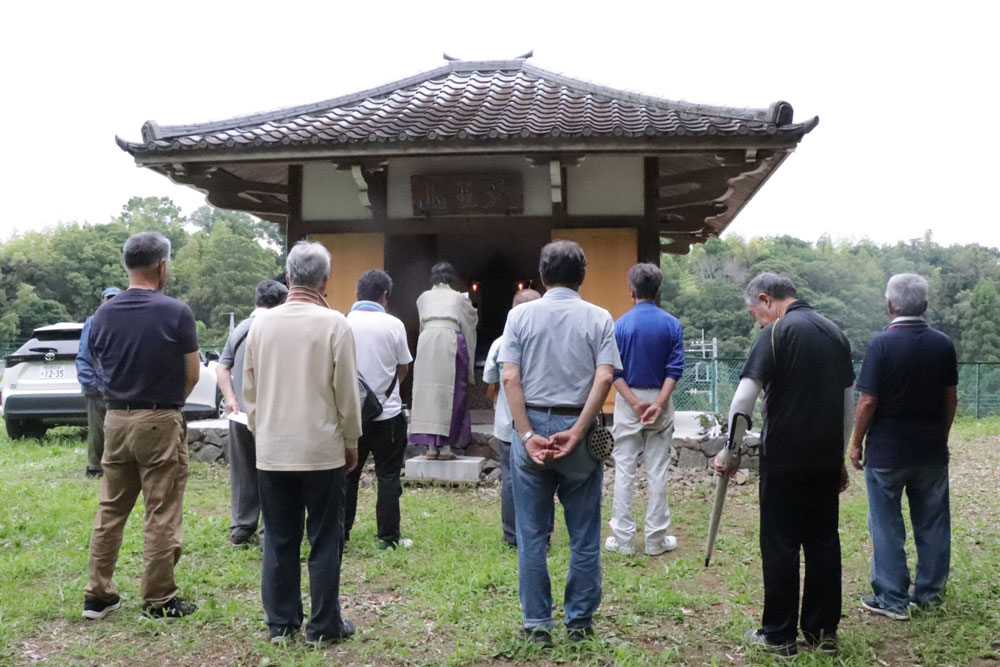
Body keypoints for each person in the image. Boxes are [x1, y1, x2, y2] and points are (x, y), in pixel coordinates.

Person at [715, 272, 854, 657]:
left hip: (784, 460)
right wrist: (839, 456)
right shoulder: (835, 333)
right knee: (824, 542)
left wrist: (731, 450)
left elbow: (742, 402)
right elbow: (848, 405)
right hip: (825, 460)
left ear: (766, 299)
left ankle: (778, 636)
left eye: (754, 313)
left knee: (780, 545)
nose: (756, 321)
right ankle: (823, 634)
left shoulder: (775, 334)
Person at [499, 240, 622, 646]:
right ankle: (580, 621)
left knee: (531, 533)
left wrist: (527, 434)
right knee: (584, 532)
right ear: (582, 275)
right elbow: (605, 378)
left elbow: (510, 379)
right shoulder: (599, 317)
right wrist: (579, 429)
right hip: (579, 426)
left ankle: (537, 624)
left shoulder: (520, 317)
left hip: (530, 419)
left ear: (542, 274)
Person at [243, 241, 361, 645]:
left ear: (288, 277)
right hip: (321, 448)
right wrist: (351, 440)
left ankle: (281, 624)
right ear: (326, 280)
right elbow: (346, 393)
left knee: (279, 536)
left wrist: (264, 433)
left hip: (274, 449)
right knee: (326, 538)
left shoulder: (261, 324)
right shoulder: (334, 324)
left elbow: (250, 392)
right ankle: (324, 625)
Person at [83, 231, 200, 621]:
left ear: (127, 264)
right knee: (161, 510)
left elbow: (100, 366)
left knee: (111, 509)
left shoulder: (103, 314)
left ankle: (98, 594)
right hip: (159, 417)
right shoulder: (175, 311)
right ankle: (159, 598)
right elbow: (192, 373)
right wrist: (168, 407)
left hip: (115, 418)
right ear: (162, 265)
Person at [849, 273, 958, 620]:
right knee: (933, 522)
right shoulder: (943, 344)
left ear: (890, 305)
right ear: (924, 305)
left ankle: (892, 599)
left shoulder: (881, 344)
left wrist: (855, 443)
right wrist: (941, 434)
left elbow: (867, 401)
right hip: (930, 452)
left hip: (887, 453)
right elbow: (950, 399)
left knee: (886, 524)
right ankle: (928, 594)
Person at [605, 263, 684, 557]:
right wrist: (659, 403)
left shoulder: (621, 325)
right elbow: (674, 369)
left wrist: (635, 402)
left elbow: (613, 371)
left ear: (631, 289)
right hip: (660, 398)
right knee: (658, 470)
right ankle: (655, 539)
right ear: (658, 290)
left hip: (629, 400)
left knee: (624, 469)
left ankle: (623, 540)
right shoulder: (671, 324)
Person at [344, 269, 414, 550]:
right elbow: (404, 366)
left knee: (348, 475)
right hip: (388, 415)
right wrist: (387, 391)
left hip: (351, 416)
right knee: (388, 476)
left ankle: (342, 532)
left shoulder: (342, 322)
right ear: (384, 296)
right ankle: (388, 537)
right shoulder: (393, 325)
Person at [216, 279, 288, 546]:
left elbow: (222, 368)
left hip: (239, 414)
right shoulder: (281, 328)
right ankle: (269, 531)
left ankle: (241, 528)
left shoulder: (241, 329)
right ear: (283, 302)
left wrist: (230, 399)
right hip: (272, 414)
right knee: (274, 472)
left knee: (244, 470)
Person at [482, 288, 541, 549]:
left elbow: (490, 381)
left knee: (509, 479)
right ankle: (540, 534)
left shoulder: (500, 342)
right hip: (539, 423)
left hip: (507, 424)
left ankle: (511, 534)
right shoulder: (544, 342)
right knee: (540, 480)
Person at [409, 262, 478, 460]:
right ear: (451, 278)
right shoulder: (458, 297)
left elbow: (422, 320)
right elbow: (470, 318)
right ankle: (446, 448)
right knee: (451, 392)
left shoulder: (423, 298)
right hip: (449, 340)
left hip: (426, 342)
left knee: (427, 394)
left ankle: (431, 448)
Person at [76, 286, 121, 478]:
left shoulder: (125, 322)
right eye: (108, 298)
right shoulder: (92, 322)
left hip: (120, 386)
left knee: (120, 428)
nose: (111, 302)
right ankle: (95, 467)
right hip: (96, 385)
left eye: (115, 299)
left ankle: (118, 465)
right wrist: (91, 384)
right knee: (97, 431)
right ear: (102, 301)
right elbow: (84, 355)